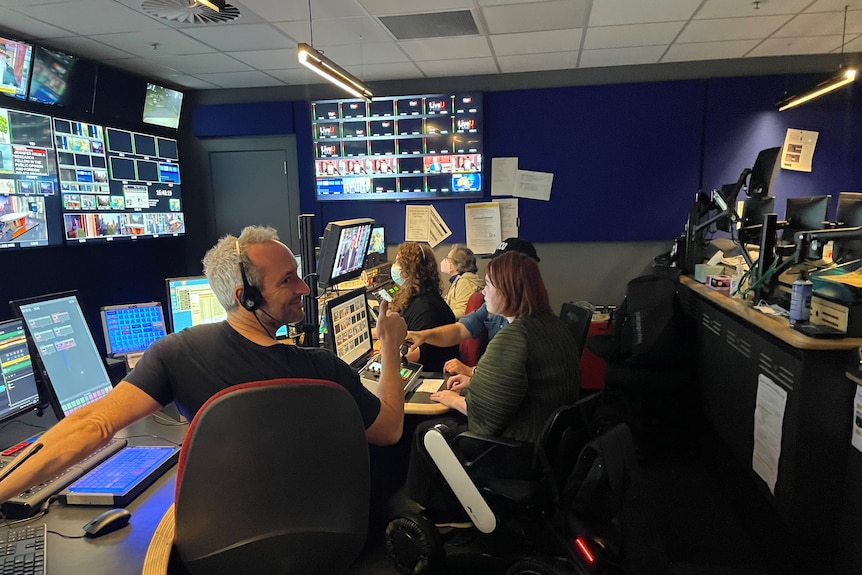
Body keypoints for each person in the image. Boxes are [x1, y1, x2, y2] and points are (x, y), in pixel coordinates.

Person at [0, 225, 409, 505]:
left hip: (220, 546)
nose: (303, 287)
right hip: (333, 538)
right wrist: (390, 349)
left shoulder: (175, 353)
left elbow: (94, 425)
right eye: (288, 280)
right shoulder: (323, 368)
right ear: (245, 295)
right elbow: (390, 430)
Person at [402, 250, 580, 517]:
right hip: (550, 446)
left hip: (519, 449)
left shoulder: (514, 337)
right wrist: (473, 384)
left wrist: (454, 400)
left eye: (489, 285)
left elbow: (485, 420)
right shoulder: (551, 325)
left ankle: (448, 515)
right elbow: (517, 387)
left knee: (427, 432)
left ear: (508, 291)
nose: (483, 291)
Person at [406, 237, 540, 376]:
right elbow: (459, 331)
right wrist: (425, 335)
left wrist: (472, 372)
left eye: (502, 264)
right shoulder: (493, 309)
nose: (483, 291)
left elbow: (510, 379)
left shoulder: (527, 329)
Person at [389, 241, 458, 372]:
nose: (394, 267)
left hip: (429, 374)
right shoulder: (416, 295)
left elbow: (412, 355)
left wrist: (384, 351)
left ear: (409, 269)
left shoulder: (426, 308)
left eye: (398, 262)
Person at [440, 244, 483, 319]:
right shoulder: (459, 280)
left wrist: (441, 317)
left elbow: (463, 312)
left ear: (457, 264)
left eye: (448, 258)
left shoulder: (464, 282)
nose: (445, 261)